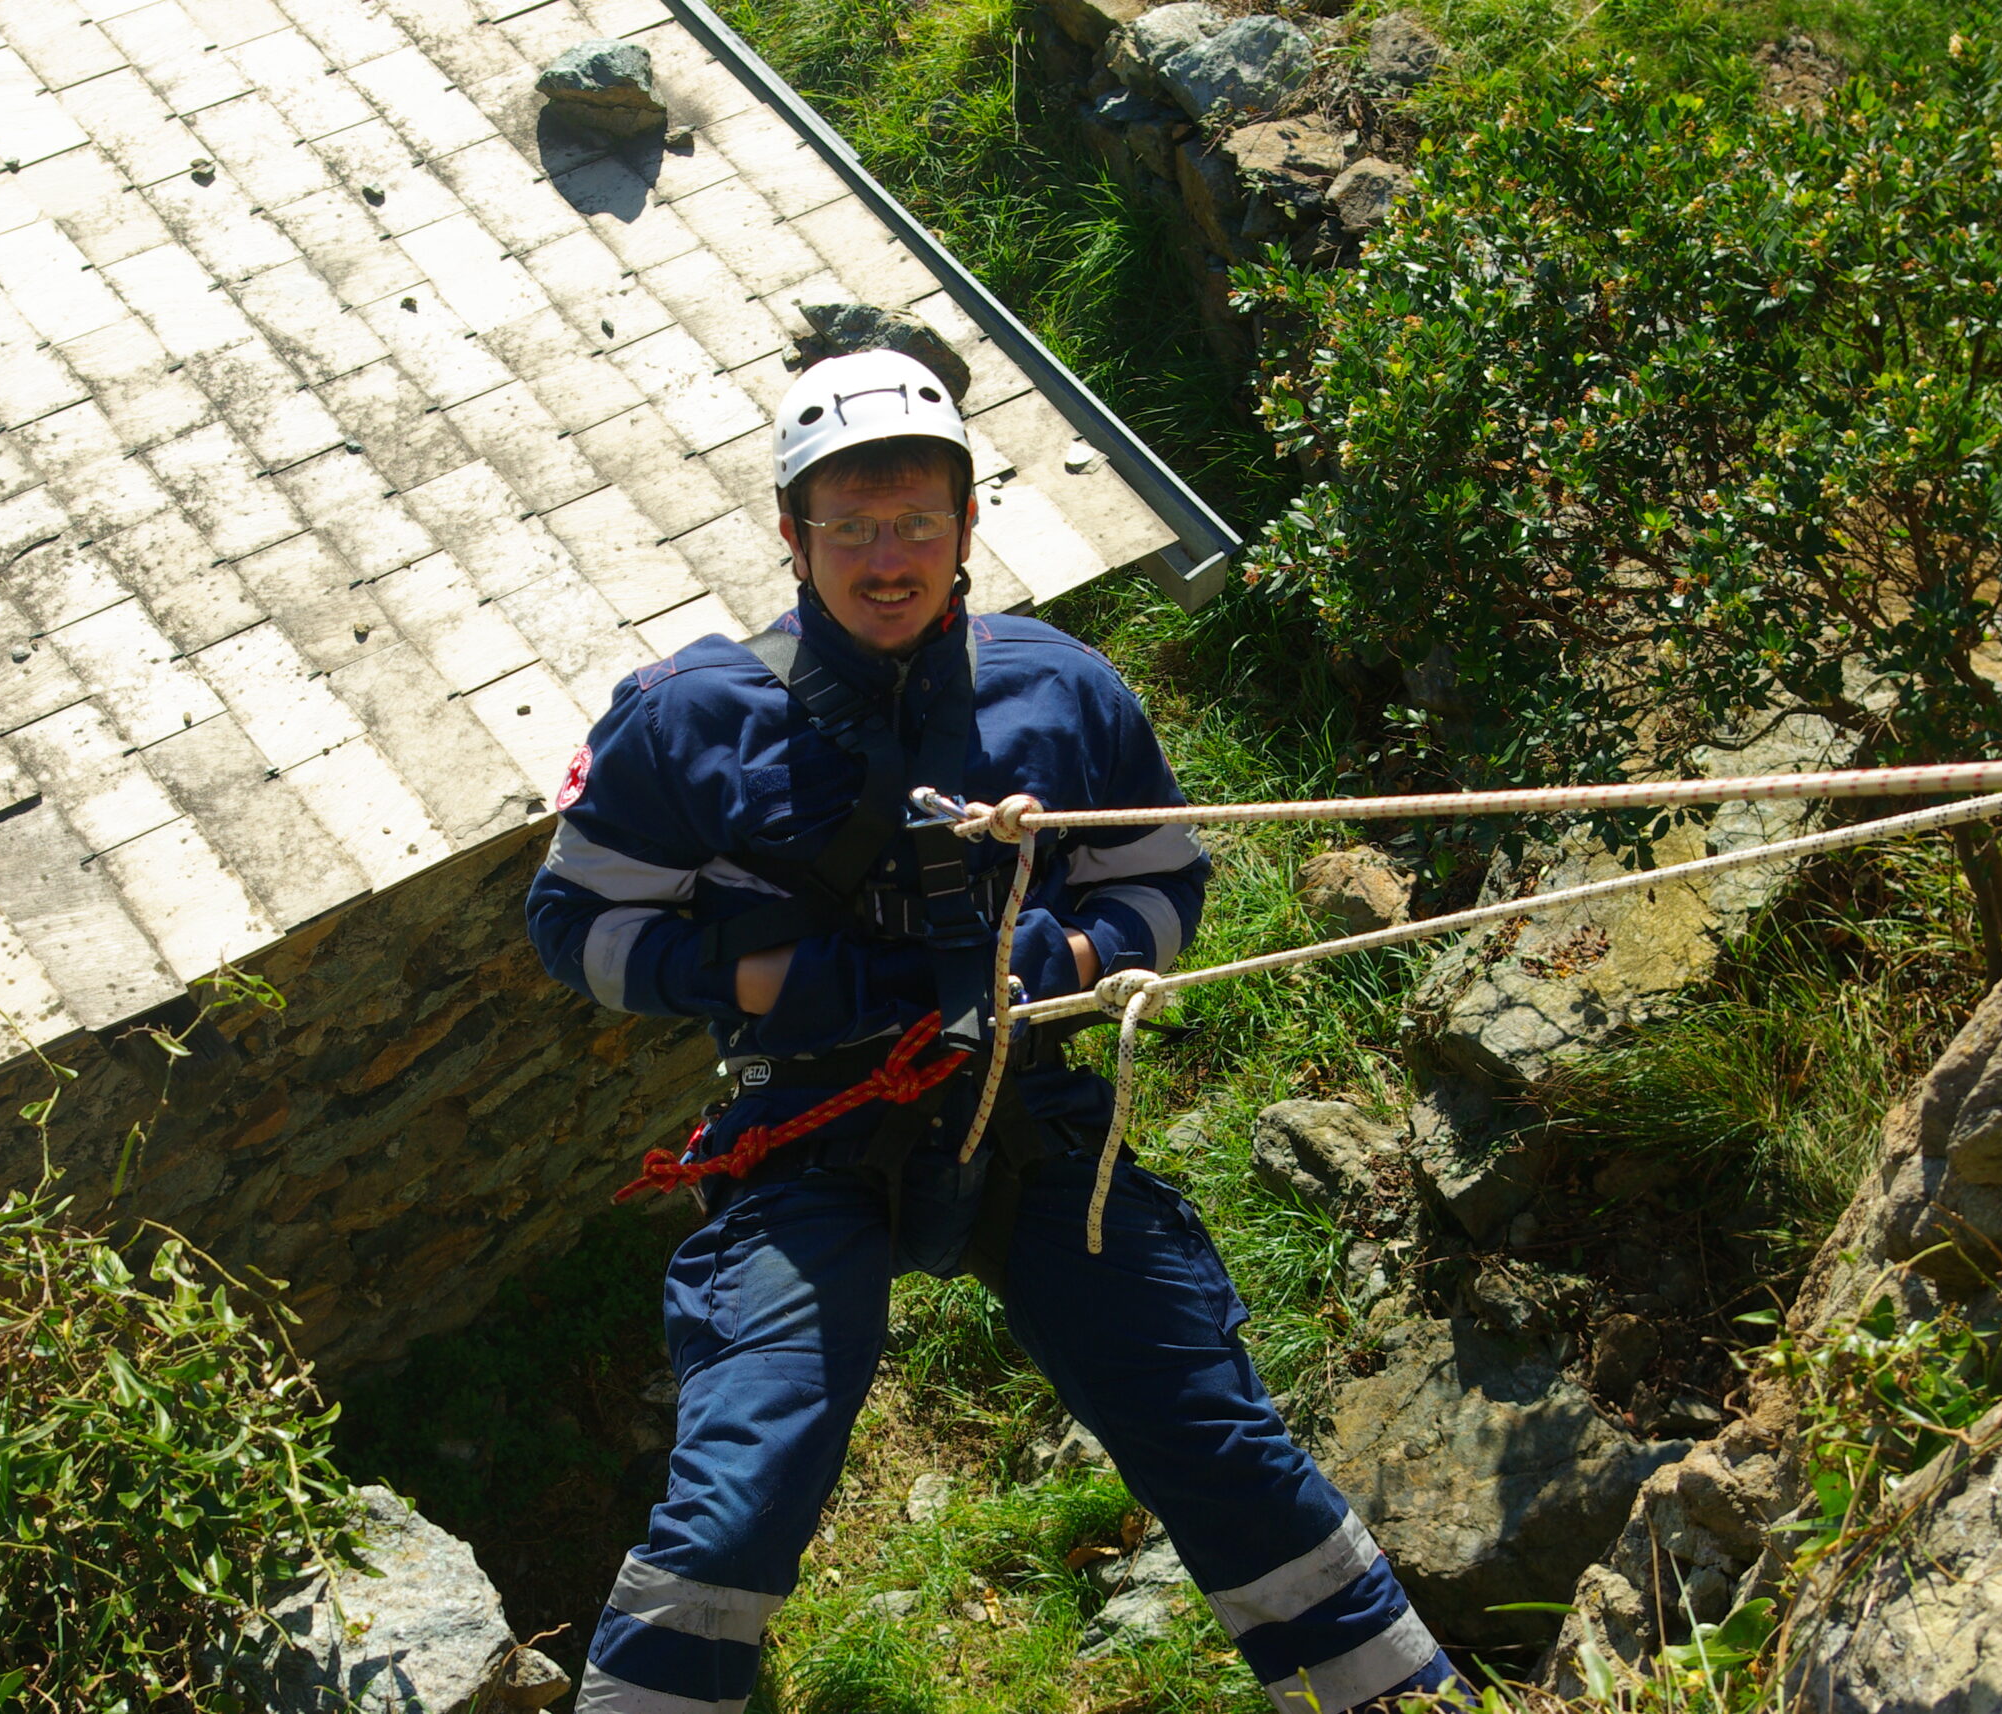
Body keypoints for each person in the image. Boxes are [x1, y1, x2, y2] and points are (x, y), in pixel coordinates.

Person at [525, 349, 1465, 1714]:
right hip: (811, 1128)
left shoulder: (1063, 693)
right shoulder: (689, 719)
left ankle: (1392, 1694)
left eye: (917, 521)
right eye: (850, 526)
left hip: (1021, 1101)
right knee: (748, 1482)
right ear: (795, 539)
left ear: (968, 527)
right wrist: (760, 982)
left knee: (1208, 1423)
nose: (887, 557)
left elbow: (1162, 881)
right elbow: (577, 926)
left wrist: (1068, 953)